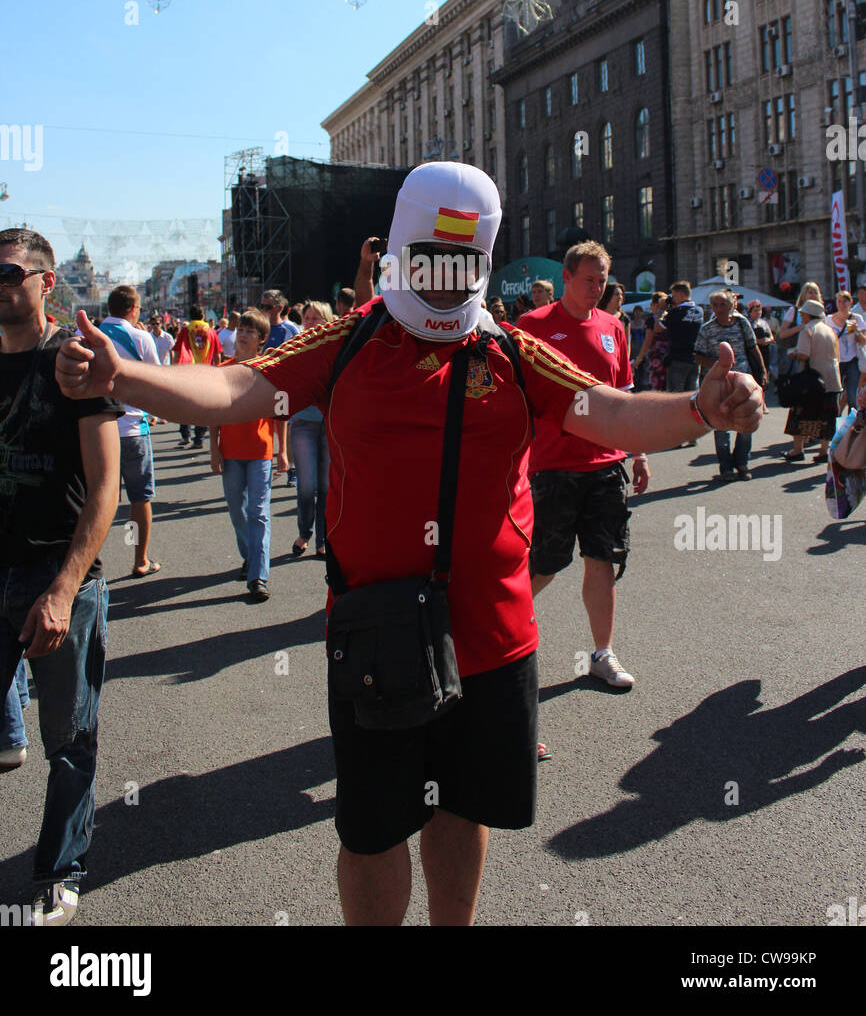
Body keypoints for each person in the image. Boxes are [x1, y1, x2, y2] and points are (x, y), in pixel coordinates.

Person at [55, 162, 762, 928]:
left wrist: (701, 409)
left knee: (462, 813)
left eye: (465, 267)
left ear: (484, 264)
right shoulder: (347, 341)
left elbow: (612, 414)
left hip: (494, 640)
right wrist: (120, 375)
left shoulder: (516, 353)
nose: (446, 285)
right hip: (376, 638)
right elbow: (234, 390)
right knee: (370, 833)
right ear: (399, 252)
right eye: (430, 262)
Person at [0, 228, 121, 926]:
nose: (1, 285)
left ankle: (59, 872)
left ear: (46, 282)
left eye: (12, 272)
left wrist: (64, 586)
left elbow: (105, 488)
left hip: (60, 575)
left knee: (70, 743)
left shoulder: (71, 365)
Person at [517, 242, 647, 701]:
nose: (597, 288)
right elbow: (517, 404)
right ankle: (493, 645)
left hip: (607, 466)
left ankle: (602, 654)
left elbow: (626, 399)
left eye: (602, 280)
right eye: (589, 279)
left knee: (604, 558)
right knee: (544, 565)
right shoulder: (530, 327)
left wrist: (639, 454)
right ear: (566, 277)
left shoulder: (615, 326)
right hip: (551, 468)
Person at [209, 308, 288, 601]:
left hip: (260, 451)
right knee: (236, 510)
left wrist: (283, 452)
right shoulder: (224, 370)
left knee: (258, 513)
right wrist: (214, 449)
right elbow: (213, 411)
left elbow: (281, 414)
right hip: (230, 451)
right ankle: (250, 555)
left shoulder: (269, 369)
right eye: (240, 330)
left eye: (249, 332)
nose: (242, 335)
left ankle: (258, 576)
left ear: (261, 340)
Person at [100, 286, 162, 577]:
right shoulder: (141, 337)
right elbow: (158, 381)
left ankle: (89, 562)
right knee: (139, 499)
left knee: (97, 498)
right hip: (133, 430)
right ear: (133, 309)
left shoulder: (89, 336)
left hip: (97, 430)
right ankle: (140, 560)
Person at [695, 290, 765, 480]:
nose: (718, 309)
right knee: (721, 425)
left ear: (731, 306)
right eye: (715, 306)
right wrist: (719, 366)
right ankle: (726, 467)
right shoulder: (706, 329)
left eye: (722, 305)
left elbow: (753, 346)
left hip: (743, 381)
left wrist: (762, 371)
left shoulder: (742, 323)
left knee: (746, 422)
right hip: (718, 384)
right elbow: (698, 356)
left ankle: (742, 463)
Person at [289, 302, 333, 559]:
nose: (310, 322)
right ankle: (304, 532)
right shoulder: (295, 348)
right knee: (306, 486)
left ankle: (323, 539)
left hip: (328, 422)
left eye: (316, 318)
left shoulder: (335, 350)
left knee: (326, 486)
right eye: (307, 318)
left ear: (326, 322)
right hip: (303, 422)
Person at [784, 299, 843, 463]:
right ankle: (823, 451)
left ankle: (797, 450)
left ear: (809, 314)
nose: (801, 315)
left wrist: (793, 354)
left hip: (812, 381)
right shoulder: (829, 330)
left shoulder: (807, 329)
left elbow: (804, 354)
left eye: (803, 313)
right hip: (832, 380)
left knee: (801, 413)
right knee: (827, 417)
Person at [172, 304, 222, 448]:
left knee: (184, 404)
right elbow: (217, 355)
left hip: (188, 372)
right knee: (202, 406)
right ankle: (199, 438)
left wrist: (175, 369)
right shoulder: (211, 331)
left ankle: (186, 435)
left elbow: (177, 352)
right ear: (203, 316)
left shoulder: (185, 330)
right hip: (206, 373)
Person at [825, 291, 865, 414]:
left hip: (852, 360)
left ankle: (852, 423)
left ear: (850, 302)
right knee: (834, 393)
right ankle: (834, 421)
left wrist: (857, 331)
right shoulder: (829, 319)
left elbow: (864, 341)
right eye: (839, 301)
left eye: (845, 301)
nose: (842, 304)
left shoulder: (856, 318)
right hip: (835, 360)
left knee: (852, 395)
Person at [633, 291, 669, 390]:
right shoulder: (670, 316)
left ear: (655, 304)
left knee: (657, 386)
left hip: (657, 356)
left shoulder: (652, 319)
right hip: (670, 356)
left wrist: (639, 359)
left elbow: (648, 341)